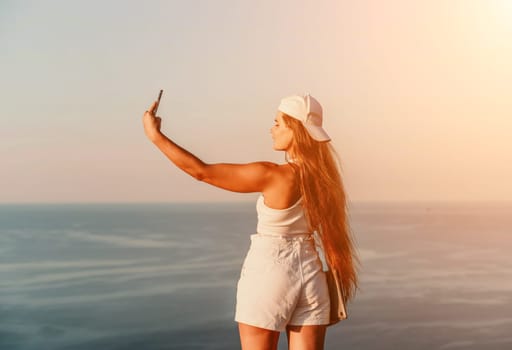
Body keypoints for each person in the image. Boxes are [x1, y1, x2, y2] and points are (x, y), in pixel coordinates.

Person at [142, 93, 360, 350]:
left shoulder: (274, 175)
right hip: (312, 275)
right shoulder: (327, 181)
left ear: (296, 130)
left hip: (271, 271)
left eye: (278, 123)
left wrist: (155, 136)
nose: (272, 129)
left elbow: (201, 171)